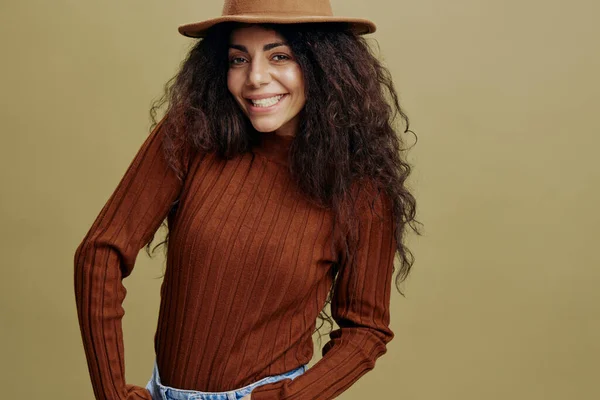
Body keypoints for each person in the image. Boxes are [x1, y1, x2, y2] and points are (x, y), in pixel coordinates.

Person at [73, 0, 421, 399]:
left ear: (325, 66)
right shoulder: (192, 135)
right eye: (239, 58)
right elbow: (99, 253)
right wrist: (112, 394)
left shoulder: (361, 190)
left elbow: (366, 329)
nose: (255, 77)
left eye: (280, 55)